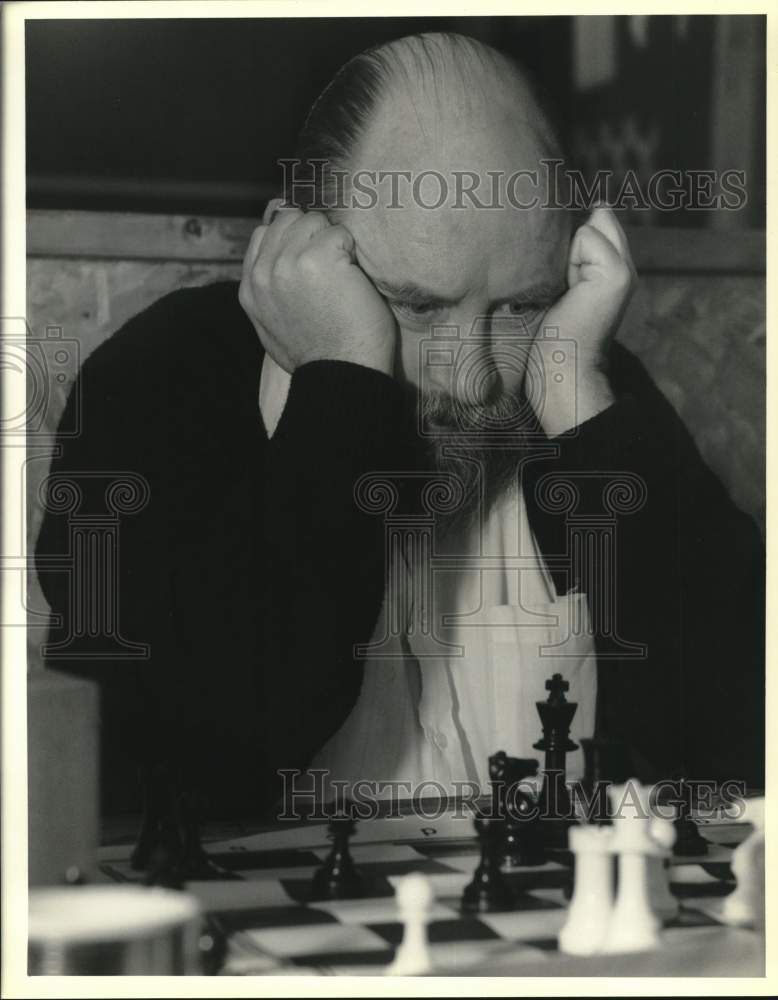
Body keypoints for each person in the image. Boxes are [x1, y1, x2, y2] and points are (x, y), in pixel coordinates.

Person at [36, 33, 764, 819]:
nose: (473, 376)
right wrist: (342, 382)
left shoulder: (578, 373)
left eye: (519, 305)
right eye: (417, 306)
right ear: (296, 252)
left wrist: (586, 410)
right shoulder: (159, 381)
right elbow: (180, 764)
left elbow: (741, 741)